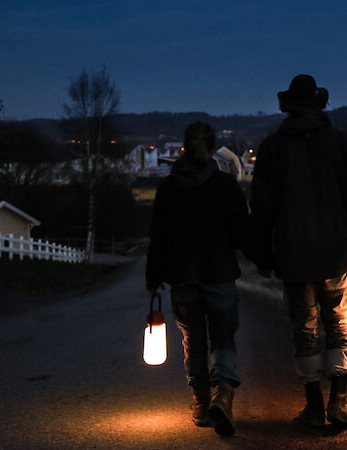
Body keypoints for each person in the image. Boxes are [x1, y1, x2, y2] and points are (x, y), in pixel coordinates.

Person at [247, 74, 347, 428]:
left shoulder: (273, 148)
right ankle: (338, 403)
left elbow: (261, 210)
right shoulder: (341, 144)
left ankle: (313, 406)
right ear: (320, 104)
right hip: (336, 252)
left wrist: (262, 256)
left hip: (293, 254)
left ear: (287, 106)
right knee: (339, 325)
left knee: (304, 329)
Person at [145, 121, 248, 436]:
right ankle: (224, 395)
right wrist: (266, 260)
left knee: (193, 340)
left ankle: (201, 402)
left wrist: (154, 276)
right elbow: (242, 232)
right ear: (213, 146)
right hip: (219, 274)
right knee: (223, 338)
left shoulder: (168, 188)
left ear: (184, 147)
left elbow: (158, 237)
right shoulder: (226, 186)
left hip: (182, 276)